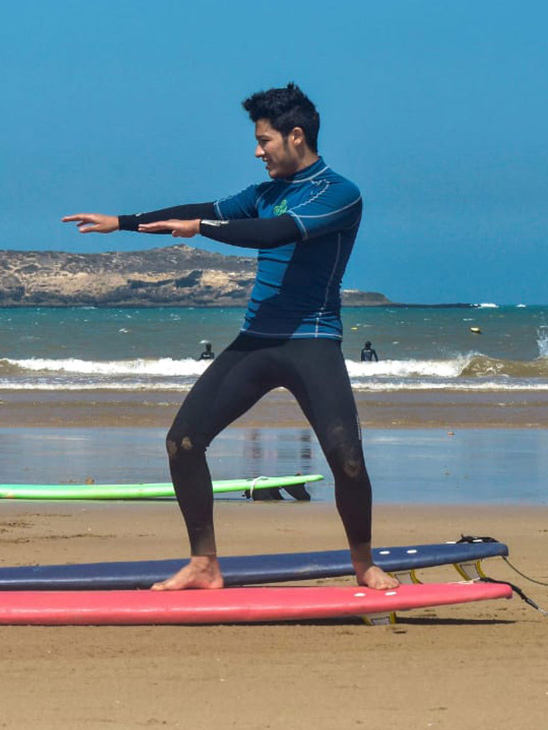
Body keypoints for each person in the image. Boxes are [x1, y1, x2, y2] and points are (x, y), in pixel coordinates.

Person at [62, 82, 398, 592]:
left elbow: (276, 233)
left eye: (264, 140)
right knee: (183, 442)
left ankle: (363, 563)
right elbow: (205, 208)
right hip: (255, 341)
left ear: (296, 136)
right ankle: (204, 564)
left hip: (311, 342)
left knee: (347, 462)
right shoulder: (264, 194)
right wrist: (123, 222)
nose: (257, 150)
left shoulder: (339, 194)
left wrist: (202, 228)